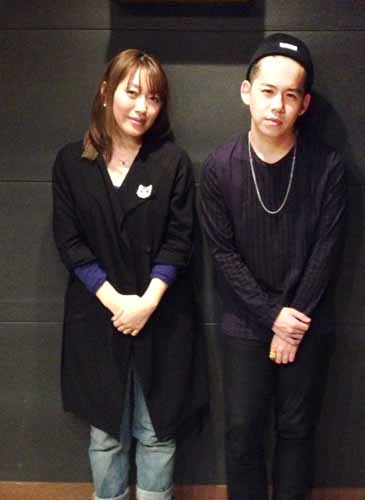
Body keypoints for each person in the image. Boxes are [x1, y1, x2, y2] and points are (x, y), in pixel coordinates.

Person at [52, 49, 207, 500]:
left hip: (163, 317)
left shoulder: (172, 162)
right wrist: (118, 303)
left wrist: (147, 303)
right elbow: (70, 242)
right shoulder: (71, 163)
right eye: (132, 92)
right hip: (98, 317)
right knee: (106, 434)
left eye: (153, 98)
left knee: (157, 432)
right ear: (106, 92)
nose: (142, 107)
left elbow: (180, 240)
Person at [200, 33, 346, 500]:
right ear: (247, 92)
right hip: (245, 322)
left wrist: (292, 322)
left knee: (297, 429)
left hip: (307, 321)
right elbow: (223, 254)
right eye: (267, 91)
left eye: (290, 95)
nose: (277, 106)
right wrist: (272, 317)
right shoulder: (219, 168)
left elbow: (327, 248)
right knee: (242, 432)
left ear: (304, 105)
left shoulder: (327, 166)